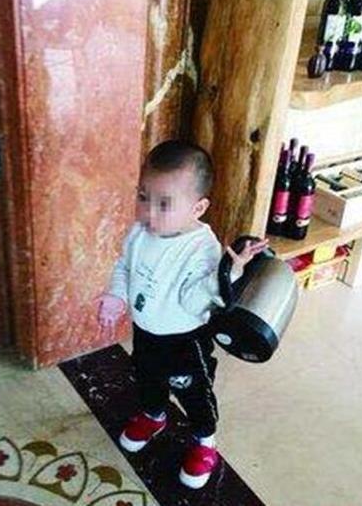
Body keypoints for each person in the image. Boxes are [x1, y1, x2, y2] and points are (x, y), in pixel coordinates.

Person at [96, 140, 267, 489]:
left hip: (184, 340)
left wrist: (227, 274)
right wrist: (116, 294)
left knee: (194, 392)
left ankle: (205, 440)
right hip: (146, 331)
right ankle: (154, 415)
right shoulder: (140, 232)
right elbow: (124, 266)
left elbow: (193, 302)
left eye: (164, 204)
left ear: (197, 208)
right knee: (147, 377)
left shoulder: (202, 248)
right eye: (143, 197)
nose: (149, 212)